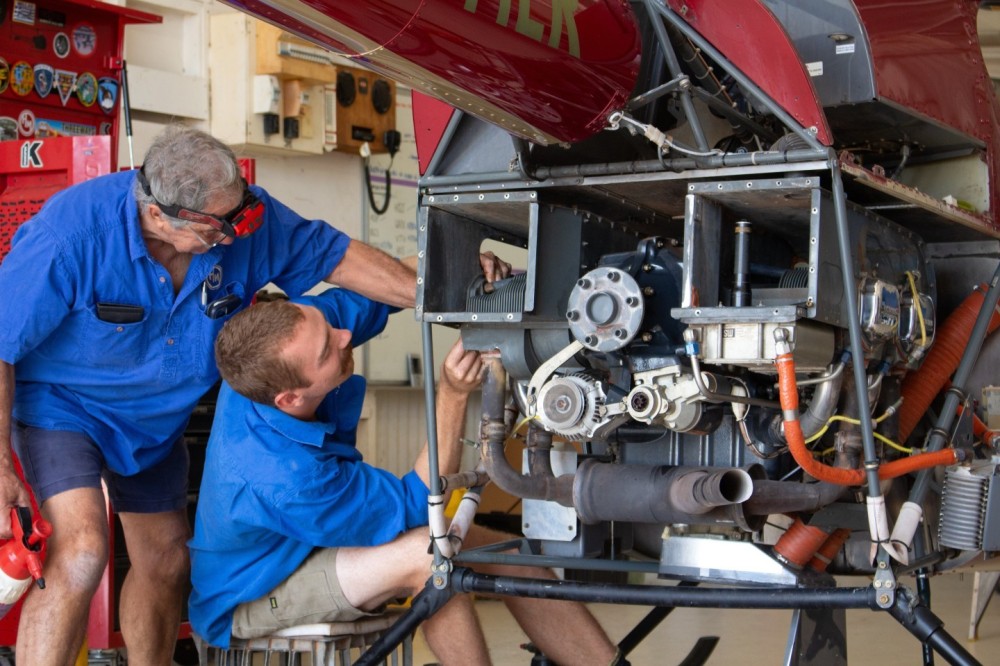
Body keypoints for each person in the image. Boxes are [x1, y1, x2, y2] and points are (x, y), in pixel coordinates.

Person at [0, 125, 448, 665]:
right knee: (82, 551)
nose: (241, 232)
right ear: (158, 215)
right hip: (66, 410)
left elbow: (337, 258)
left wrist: (440, 295)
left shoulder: (242, 219)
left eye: (244, 213)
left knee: (166, 562)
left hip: (155, 424)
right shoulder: (69, 238)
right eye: (223, 226)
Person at [189, 288, 627, 666]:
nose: (344, 337)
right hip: (253, 589)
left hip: (302, 540)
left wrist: (447, 276)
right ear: (289, 399)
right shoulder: (285, 479)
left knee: (500, 547)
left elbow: (366, 296)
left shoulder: (277, 351)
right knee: (431, 554)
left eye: (327, 328)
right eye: (327, 351)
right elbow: (415, 506)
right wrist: (453, 393)